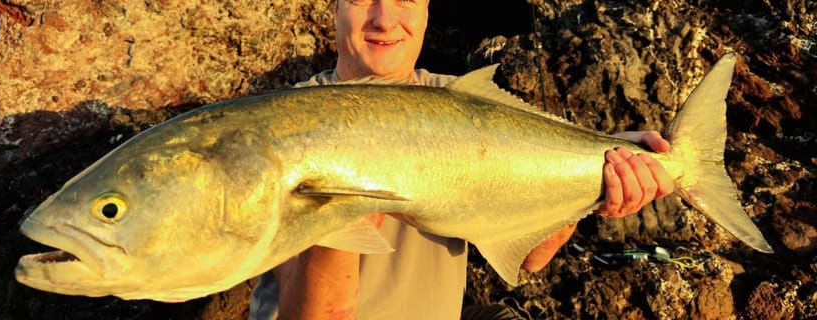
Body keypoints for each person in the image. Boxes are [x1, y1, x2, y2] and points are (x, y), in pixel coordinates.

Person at [249, 0, 674, 319]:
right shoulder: (284, 129)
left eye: (406, 0)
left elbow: (531, 256)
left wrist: (597, 181)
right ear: (335, 8)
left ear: (427, 13)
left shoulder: (465, 100)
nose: (384, 19)